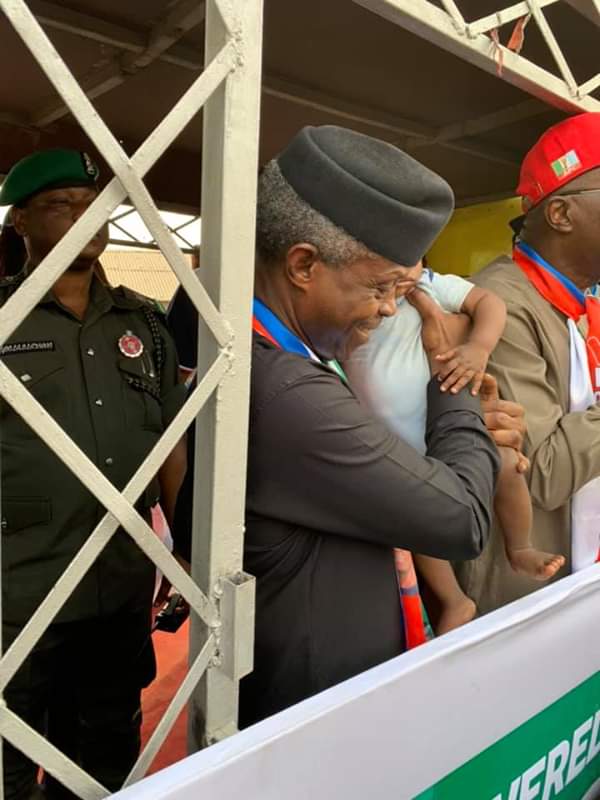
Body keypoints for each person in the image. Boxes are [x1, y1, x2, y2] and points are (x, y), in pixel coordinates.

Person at [172, 125, 527, 727]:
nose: (389, 308)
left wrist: (459, 434)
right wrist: (454, 385)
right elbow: (462, 519)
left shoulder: (271, 357)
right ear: (303, 265)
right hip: (317, 713)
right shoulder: (287, 391)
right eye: (381, 287)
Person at [0, 148, 187, 799]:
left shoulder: (145, 323)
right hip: (21, 587)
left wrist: (183, 549)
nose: (84, 216)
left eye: (94, 205)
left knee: (106, 753)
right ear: (20, 220)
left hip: (120, 582)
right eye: (61, 204)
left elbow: (171, 442)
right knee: (10, 755)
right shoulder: (4, 319)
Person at [345, 261, 564, 633]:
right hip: (396, 445)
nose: (405, 272)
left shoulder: (431, 285)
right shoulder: (356, 296)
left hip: (446, 421)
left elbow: (490, 304)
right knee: (416, 517)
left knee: (508, 464)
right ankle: (454, 600)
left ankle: (519, 547)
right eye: (393, 261)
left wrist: (479, 347)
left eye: (414, 259)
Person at [455, 111, 600, 614]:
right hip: (528, 595)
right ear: (561, 214)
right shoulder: (502, 305)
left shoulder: (580, 302)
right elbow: (545, 473)